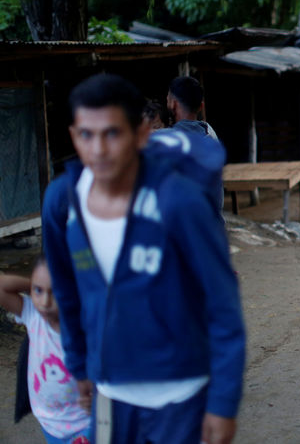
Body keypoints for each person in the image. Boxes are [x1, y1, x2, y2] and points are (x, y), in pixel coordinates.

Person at [41, 73, 245, 444]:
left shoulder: (181, 202)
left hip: (182, 393)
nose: (99, 149)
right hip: (110, 394)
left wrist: (223, 401)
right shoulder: (61, 200)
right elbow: (66, 289)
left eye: (113, 134)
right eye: (87, 135)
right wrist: (77, 362)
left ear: (140, 135)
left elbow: (223, 305)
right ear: (74, 136)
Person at [0, 256, 92, 444]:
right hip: (50, 424)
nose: (45, 301)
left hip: (85, 425)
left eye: (55, 292)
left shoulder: (86, 327)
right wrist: (35, 283)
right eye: (38, 291)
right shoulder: (33, 315)